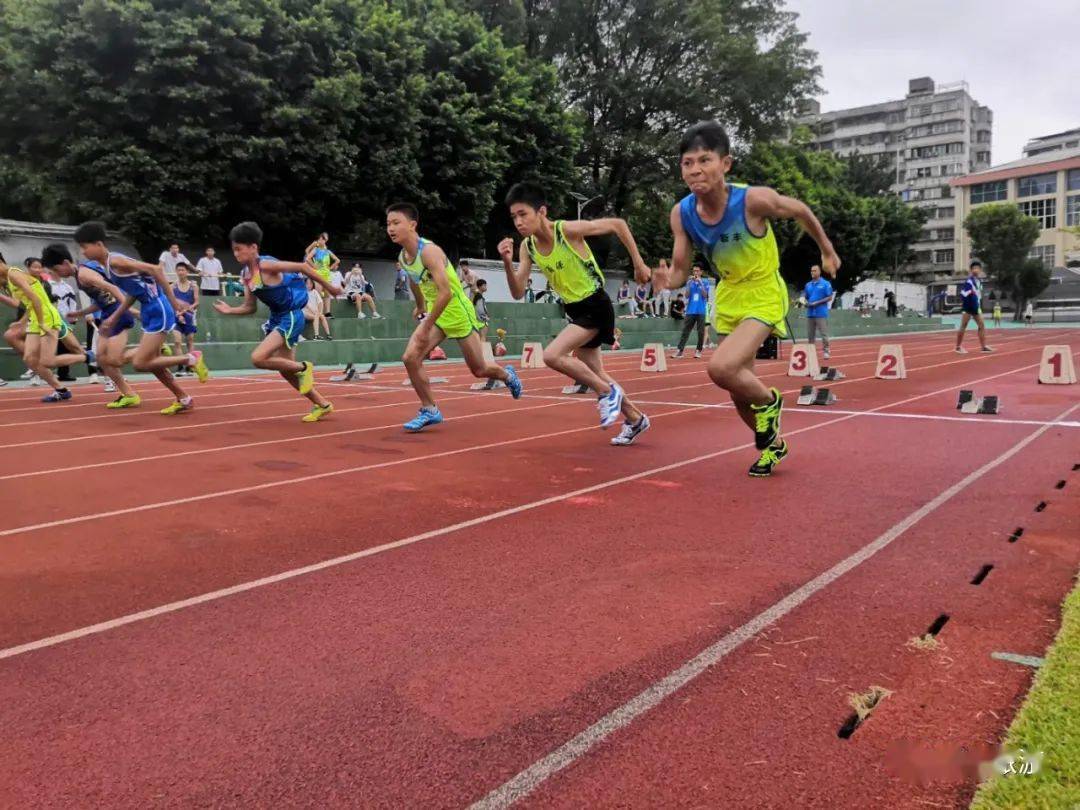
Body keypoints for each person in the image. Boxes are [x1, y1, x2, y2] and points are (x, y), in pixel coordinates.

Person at [652, 121, 840, 477]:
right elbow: (679, 272)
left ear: (726, 164)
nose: (695, 170)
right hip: (729, 295)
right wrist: (664, 281)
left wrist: (827, 251)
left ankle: (771, 402)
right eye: (687, 162)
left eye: (704, 160)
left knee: (721, 368)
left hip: (764, 290)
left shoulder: (752, 200)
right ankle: (773, 447)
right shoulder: (683, 213)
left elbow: (798, 208)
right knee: (737, 388)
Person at [499, 182, 650, 445]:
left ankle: (606, 393)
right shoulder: (528, 247)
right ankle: (635, 418)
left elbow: (618, 225)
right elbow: (517, 291)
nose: (518, 222)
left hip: (595, 303)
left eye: (523, 214)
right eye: (514, 217)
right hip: (574, 309)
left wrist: (638, 263)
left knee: (552, 355)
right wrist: (506, 263)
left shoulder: (566, 231)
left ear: (541, 212)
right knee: (594, 371)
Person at [388, 202, 521, 431]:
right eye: (388, 223)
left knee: (479, 370)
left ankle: (506, 375)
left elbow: (446, 292)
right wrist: (420, 305)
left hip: (457, 311)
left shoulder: (429, 252)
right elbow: (413, 278)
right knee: (410, 357)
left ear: (412, 225)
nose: (390, 228)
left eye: (396, 223)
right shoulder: (403, 257)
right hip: (436, 313)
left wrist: (424, 325)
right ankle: (430, 409)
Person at [75, 221, 209, 414]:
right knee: (153, 364)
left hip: (158, 308)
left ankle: (191, 358)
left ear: (98, 244)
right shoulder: (108, 266)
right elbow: (134, 291)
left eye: (84, 247)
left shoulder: (115, 261)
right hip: (149, 309)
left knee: (140, 363)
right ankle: (183, 398)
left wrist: (173, 302)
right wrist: (116, 316)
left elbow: (156, 270)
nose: (83, 252)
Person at [215, 221, 340, 422]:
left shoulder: (266, 265)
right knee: (285, 369)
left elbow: (302, 266)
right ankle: (322, 404)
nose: (236, 254)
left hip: (290, 314)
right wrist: (229, 310)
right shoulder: (247, 274)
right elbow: (250, 307)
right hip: (276, 317)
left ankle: (304, 367)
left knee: (258, 358)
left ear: (253, 247)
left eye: (239, 249)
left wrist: (331, 288)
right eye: (234, 250)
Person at [41, 244, 141, 408]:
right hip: (108, 313)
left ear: (65, 262)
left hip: (117, 313)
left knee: (114, 360)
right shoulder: (80, 276)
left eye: (56, 270)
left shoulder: (84, 275)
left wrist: (129, 311)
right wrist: (80, 313)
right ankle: (129, 394)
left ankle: (150, 349)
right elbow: (101, 300)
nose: (57, 274)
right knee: (101, 358)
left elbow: (113, 288)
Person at [0, 251, 91, 401]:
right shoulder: (8, 280)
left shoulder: (14, 274)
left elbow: (36, 298)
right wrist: (22, 322)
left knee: (47, 361)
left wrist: (42, 322)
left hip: (47, 316)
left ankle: (87, 357)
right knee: (30, 359)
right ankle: (61, 390)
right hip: (36, 317)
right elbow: (28, 303)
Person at [955, 259, 993, 353]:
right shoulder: (969, 281)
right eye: (974, 268)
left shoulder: (979, 282)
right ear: (971, 270)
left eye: (977, 268)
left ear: (980, 270)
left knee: (982, 325)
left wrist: (978, 303)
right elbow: (963, 293)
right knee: (963, 325)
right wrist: (970, 292)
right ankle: (958, 347)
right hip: (968, 306)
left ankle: (983, 346)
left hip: (976, 307)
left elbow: (979, 295)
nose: (976, 270)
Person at [674, 264, 710, 358]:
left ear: (701, 272)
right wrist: (689, 285)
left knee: (701, 332)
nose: (695, 273)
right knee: (685, 331)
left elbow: (705, 295)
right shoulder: (690, 282)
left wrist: (700, 283)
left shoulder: (705, 282)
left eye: (697, 271)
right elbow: (686, 296)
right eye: (694, 271)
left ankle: (698, 350)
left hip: (701, 311)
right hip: (690, 310)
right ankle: (680, 350)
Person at [170, 262, 200, 365]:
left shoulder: (193, 286)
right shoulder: (172, 286)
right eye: (178, 270)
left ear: (187, 272)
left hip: (189, 316)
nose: (180, 272)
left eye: (183, 270)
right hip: (176, 316)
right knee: (177, 341)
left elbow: (197, 302)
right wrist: (178, 313)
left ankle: (191, 365)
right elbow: (171, 301)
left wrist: (186, 310)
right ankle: (181, 366)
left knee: (190, 341)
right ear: (176, 272)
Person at [803, 264, 834, 360]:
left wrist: (816, 303)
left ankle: (826, 351)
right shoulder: (808, 285)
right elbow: (806, 296)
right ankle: (811, 352)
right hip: (810, 313)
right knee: (810, 334)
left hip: (821, 313)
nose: (812, 272)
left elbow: (830, 297)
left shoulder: (826, 284)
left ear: (819, 272)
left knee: (824, 334)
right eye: (811, 271)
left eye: (815, 271)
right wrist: (804, 302)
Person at [304, 233, 339, 317]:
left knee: (327, 294)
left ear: (325, 241)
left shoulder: (328, 251)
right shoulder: (315, 249)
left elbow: (337, 260)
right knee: (319, 294)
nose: (320, 241)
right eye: (319, 239)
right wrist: (314, 266)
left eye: (322, 239)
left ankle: (327, 313)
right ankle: (318, 313)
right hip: (318, 274)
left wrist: (331, 268)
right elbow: (307, 258)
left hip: (327, 275)